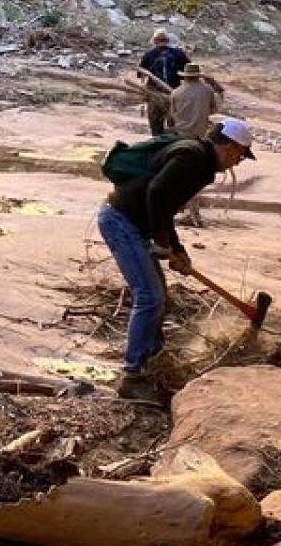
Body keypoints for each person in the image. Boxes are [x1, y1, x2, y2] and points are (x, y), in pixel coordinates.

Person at [96, 119, 256, 398]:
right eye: (241, 155)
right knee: (149, 297)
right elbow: (157, 193)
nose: (238, 162)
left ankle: (154, 360)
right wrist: (161, 241)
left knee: (160, 296)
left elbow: (164, 204)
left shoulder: (198, 158)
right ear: (231, 147)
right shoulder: (192, 157)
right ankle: (132, 377)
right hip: (122, 222)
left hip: (133, 222)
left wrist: (177, 249)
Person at [135, 30, 189, 135]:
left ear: (155, 41)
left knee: (156, 128)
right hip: (175, 93)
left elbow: (141, 74)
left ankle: (157, 146)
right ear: (167, 41)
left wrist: (143, 94)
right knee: (175, 127)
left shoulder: (149, 55)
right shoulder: (179, 54)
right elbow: (188, 73)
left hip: (155, 94)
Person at [167, 63, 224, 139]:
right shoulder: (208, 90)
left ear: (184, 76)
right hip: (200, 134)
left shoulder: (176, 92)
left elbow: (171, 116)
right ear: (198, 76)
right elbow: (213, 110)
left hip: (181, 133)